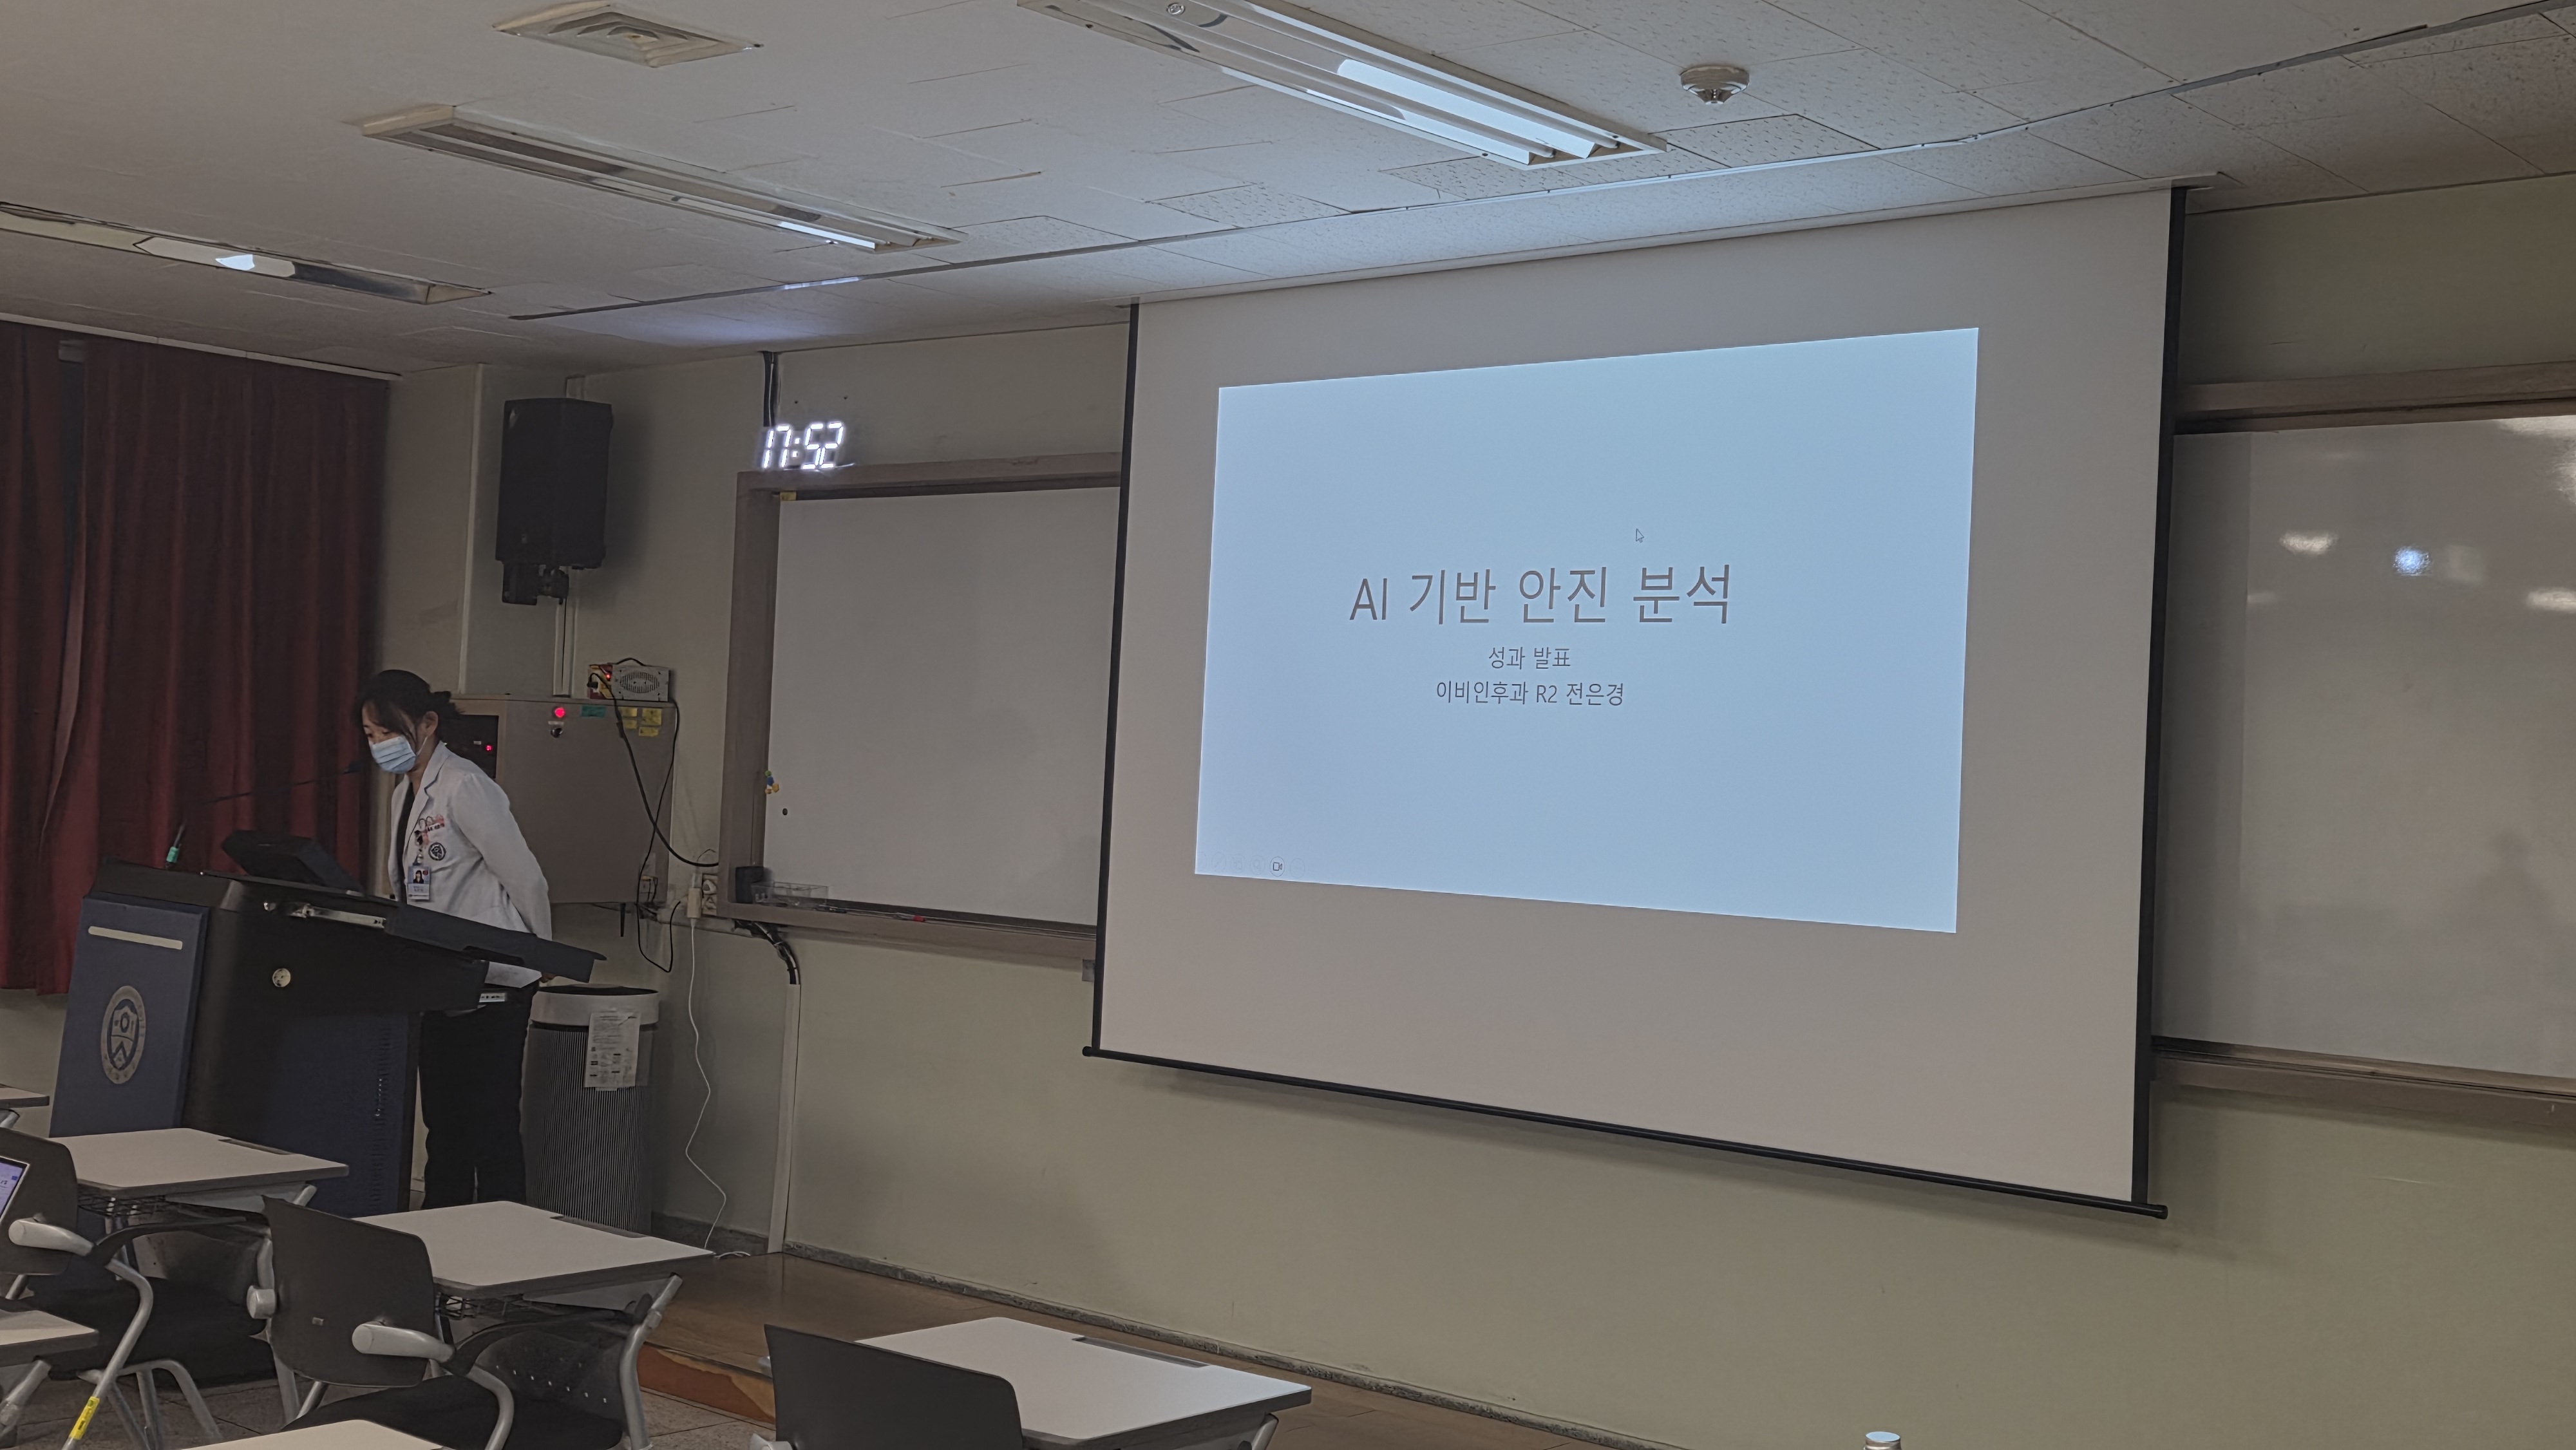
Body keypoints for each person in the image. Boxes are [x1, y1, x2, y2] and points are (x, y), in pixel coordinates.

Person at [356, 669, 553, 1207]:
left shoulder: (466, 786)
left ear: (428, 723)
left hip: (495, 975)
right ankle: (443, 1232)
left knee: (490, 1121)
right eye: (371, 735)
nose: (380, 744)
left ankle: (504, 1236)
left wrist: (542, 949)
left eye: (388, 732)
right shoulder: (404, 794)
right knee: (444, 1125)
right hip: (436, 976)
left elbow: (526, 878)